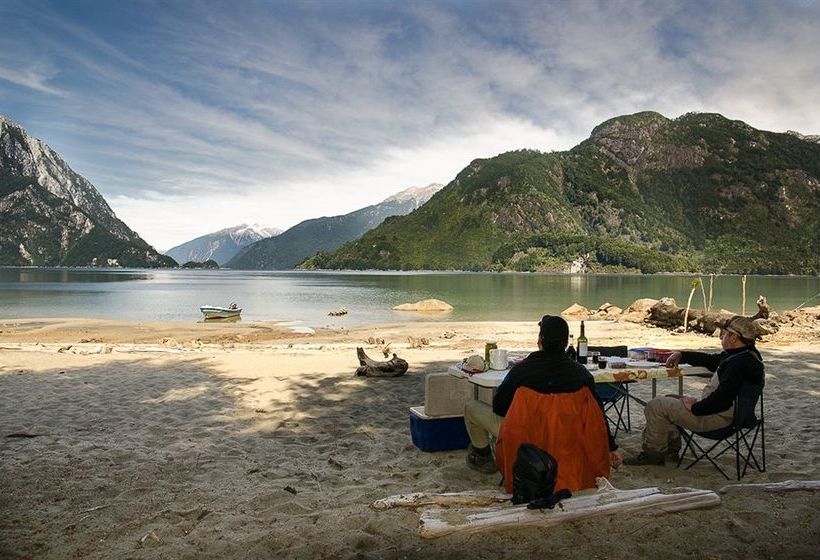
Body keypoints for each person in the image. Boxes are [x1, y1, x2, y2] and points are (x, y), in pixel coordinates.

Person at [464, 315, 621, 473]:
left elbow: (499, 407)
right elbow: (598, 414)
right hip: (567, 434)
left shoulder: (521, 371)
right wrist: (611, 447)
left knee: (471, 407)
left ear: (540, 340)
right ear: (566, 342)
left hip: (526, 435)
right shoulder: (581, 374)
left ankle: (483, 457)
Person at [624, 315, 764, 466]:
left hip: (719, 420)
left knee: (656, 405)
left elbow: (722, 400)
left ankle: (653, 454)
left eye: (725, 334)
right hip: (736, 416)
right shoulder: (747, 356)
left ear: (733, 338)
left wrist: (695, 407)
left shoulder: (737, 364)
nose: (721, 337)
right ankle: (670, 451)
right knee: (669, 398)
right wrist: (682, 355)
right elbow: (711, 361)